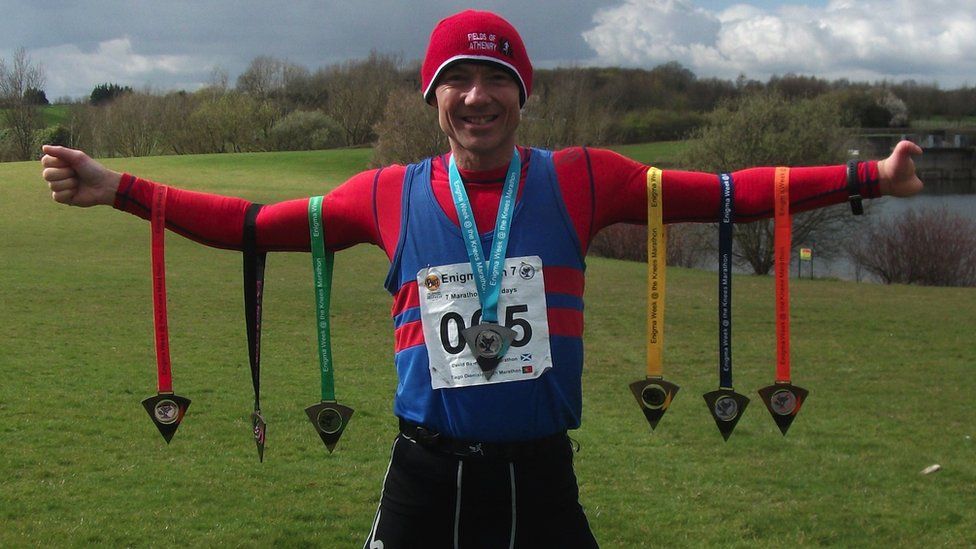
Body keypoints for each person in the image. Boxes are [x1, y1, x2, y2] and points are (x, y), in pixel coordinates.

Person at [42, 9, 923, 548]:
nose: (475, 96)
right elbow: (249, 226)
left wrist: (865, 180)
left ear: (522, 93)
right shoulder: (385, 194)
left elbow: (727, 194)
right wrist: (121, 189)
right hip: (424, 476)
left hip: (541, 479)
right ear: (432, 97)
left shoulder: (583, 178)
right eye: (454, 79)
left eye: (494, 77)